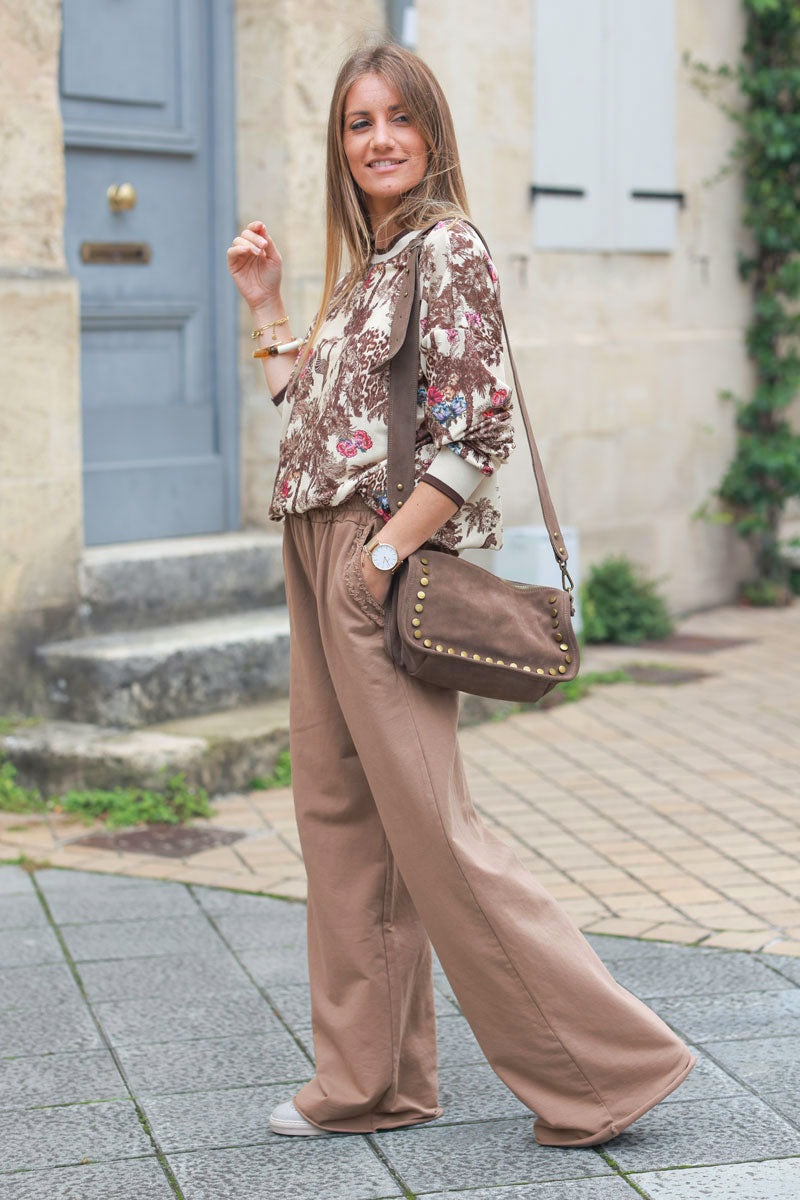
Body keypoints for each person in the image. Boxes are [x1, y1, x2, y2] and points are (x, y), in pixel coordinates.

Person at [226, 40, 696, 1148]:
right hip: (318, 547)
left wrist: (381, 559)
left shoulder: (450, 249)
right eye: (357, 122)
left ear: (432, 133)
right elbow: (317, 412)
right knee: (344, 827)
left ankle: (604, 1073)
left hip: (370, 560)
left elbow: (476, 428)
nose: (378, 138)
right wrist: (268, 305)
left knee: (437, 835)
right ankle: (372, 1082)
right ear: (341, 145)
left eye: (398, 118)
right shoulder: (375, 262)